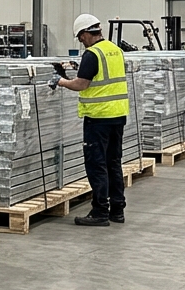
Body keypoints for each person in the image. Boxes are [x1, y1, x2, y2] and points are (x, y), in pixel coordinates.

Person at [50, 14, 129, 227]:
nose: (81, 41)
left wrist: (61, 81)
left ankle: (100, 211)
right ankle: (117, 210)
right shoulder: (115, 51)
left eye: (80, 37)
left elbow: (82, 84)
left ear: (86, 33)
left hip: (98, 118)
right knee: (114, 163)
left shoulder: (92, 54)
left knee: (97, 164)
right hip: (118, 116)